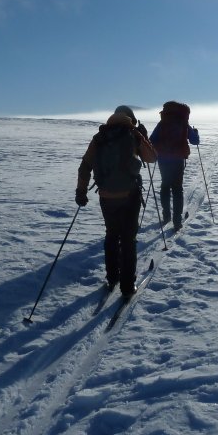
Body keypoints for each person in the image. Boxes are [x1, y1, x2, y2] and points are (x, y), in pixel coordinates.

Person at [75, 105, 156, 299]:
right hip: (130, 195)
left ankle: (112, 278)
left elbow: (85, 166)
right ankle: (127, 287)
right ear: (131, 118)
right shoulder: (133, 134)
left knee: (112, 236)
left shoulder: (100, 137)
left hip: (106, 196)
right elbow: (152, 158)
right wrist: (143, 137)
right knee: (128, 240)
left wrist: (81, 191)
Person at [149, 101, 200, 230]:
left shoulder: (162, 123)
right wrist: (195, 132)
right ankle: (177, 222)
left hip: (163, 159)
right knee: (177, 189)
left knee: (165, 186)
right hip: (177, 160)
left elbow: (152, 140)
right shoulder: (184, 124)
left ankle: (166, 216)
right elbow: (195, 141)